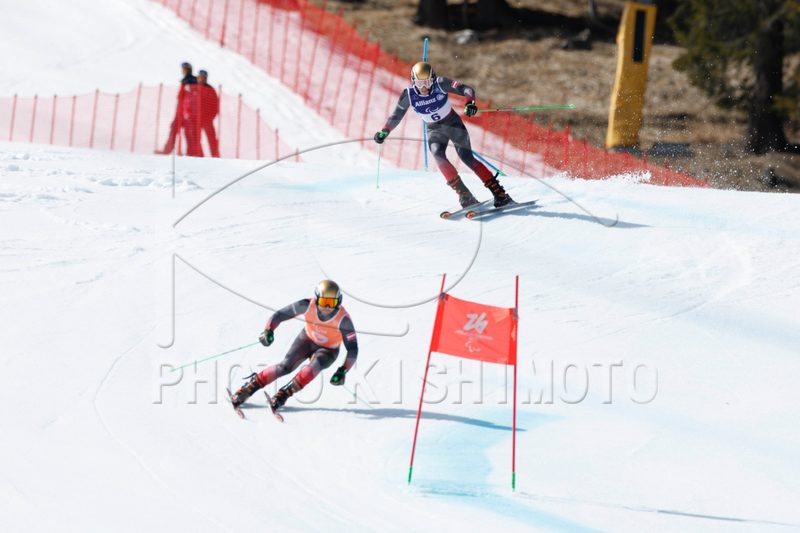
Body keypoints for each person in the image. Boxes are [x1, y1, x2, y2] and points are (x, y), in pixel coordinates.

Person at [374, 62, 513, 208]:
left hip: (453, 124)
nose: (424, 87)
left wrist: (470, 103)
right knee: (438, 155)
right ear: (413, 82)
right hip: (434, 130)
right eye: (419, 83)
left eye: (427, 82)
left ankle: (500, 194)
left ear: (433, 79)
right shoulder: (408, 95)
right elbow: (396, 115)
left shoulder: (440, 84)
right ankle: (465, 195)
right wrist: (385, 131)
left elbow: (467, 89)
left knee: (466, 157)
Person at [230, 280, 358, 414]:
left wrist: (343, 370)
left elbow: (353, 349)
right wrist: (268, 330)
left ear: (339, 302)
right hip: (307, 340)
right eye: (323, 301)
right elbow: (279, 315)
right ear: (316, 299)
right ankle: (249, 387)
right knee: (284, 367)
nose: (327, 307)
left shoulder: (344, 320)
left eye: (332, 303)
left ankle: (284, 394)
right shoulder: (307, 305)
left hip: (328, 350)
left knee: (312, 369)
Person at [156, 62, 198, 155]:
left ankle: (191, 153)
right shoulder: (184, 81)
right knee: (174, 128)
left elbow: (193, 97)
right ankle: (167, 150)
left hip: (189, 114)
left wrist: (190, 112)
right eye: (184, 69)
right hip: (180, 113)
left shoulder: (193, 81)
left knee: (189, 133)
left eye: (187, 69)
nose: (185, 71)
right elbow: (180, 97)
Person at [194, 70, 220, 158]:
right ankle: (199, 154)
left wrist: (210, 116)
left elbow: (215, 105)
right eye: (199, 77)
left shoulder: (210, 90)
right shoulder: (194, 88)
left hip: (206, 118)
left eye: (203, 78)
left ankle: (215, 155)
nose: (201, 79)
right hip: (196, 118)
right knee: (195, 137)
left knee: (211, 138)